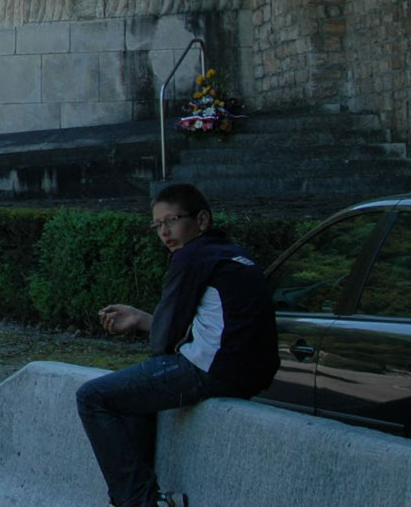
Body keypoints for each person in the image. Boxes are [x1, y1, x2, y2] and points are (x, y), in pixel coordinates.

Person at [76, 183, 278, 507]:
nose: (164, 233)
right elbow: (204, 324)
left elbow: (165, 340)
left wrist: (151, 332)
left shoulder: (191, 256)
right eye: (157, 225)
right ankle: (141, 498)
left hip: (210, 371)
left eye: (172, 220)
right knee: (134, 395)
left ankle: (139, 502)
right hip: (250, 375)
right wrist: (142, 318)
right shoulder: (233, 254)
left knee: (93, 397)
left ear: (201, 220)